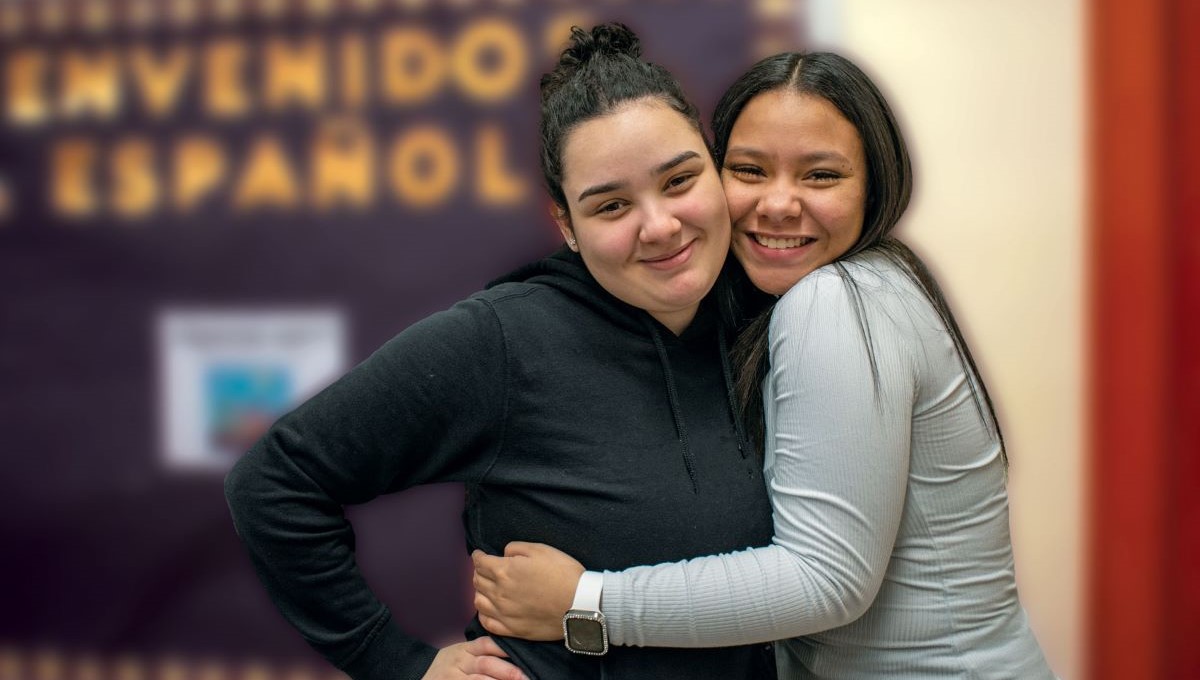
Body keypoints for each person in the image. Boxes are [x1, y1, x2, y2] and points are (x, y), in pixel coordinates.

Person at [472, 51, 1056, 678]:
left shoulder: (836, 301)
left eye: (822, 176)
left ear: (875, 182)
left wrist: (585, 602)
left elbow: (825, 579)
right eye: (749, 169)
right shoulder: (873, 283)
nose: (778, 205)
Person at [223, 23, 778, 680]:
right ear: (566, 226)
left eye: (680, 181)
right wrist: (397, 661)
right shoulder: (502, 342)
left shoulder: (766, 320)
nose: (658, 225)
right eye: (611, 206)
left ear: (717, 172)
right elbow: (273, 481)